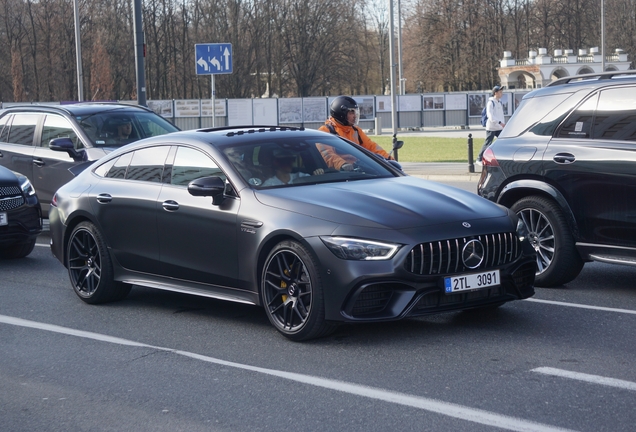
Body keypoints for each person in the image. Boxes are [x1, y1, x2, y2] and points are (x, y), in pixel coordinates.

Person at [318, 96, 393, 171]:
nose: (355, 116)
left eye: (355, 112)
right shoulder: (326, 131)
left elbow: (371, 147)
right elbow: (327, 154)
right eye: (351, 112)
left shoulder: (356, 131)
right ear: (341, 114)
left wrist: (389, 159)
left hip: (358, 169)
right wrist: (342, 164)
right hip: (338, 172)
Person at [477, 85, 506, 162]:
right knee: (488, 143)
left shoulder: (499, 102)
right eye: (500, 92)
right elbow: (491, 116)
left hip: (499, 127)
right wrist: (500, 123)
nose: (501, 93)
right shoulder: (491, 103)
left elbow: (501, 115)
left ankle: (500, 157)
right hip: (492, 127)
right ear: (495, 93)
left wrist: (503, 124)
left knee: (503, 142)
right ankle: (479, 159)